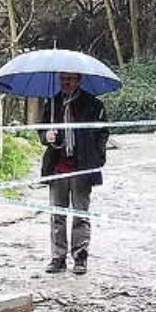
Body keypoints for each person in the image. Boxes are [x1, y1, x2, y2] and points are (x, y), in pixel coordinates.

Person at [40, 72, 109, 275]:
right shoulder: (52, 104)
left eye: (69, 79)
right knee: (57, 216)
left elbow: (103, 132)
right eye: (62, 79)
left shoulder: (93, 104)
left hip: (82, 168)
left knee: (80, 214)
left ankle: (80, 257)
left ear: (78, 80)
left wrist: (96, 157)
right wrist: (46, 136)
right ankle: (57, 258)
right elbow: (41, 130)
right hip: (57, 167)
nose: (65, 83)